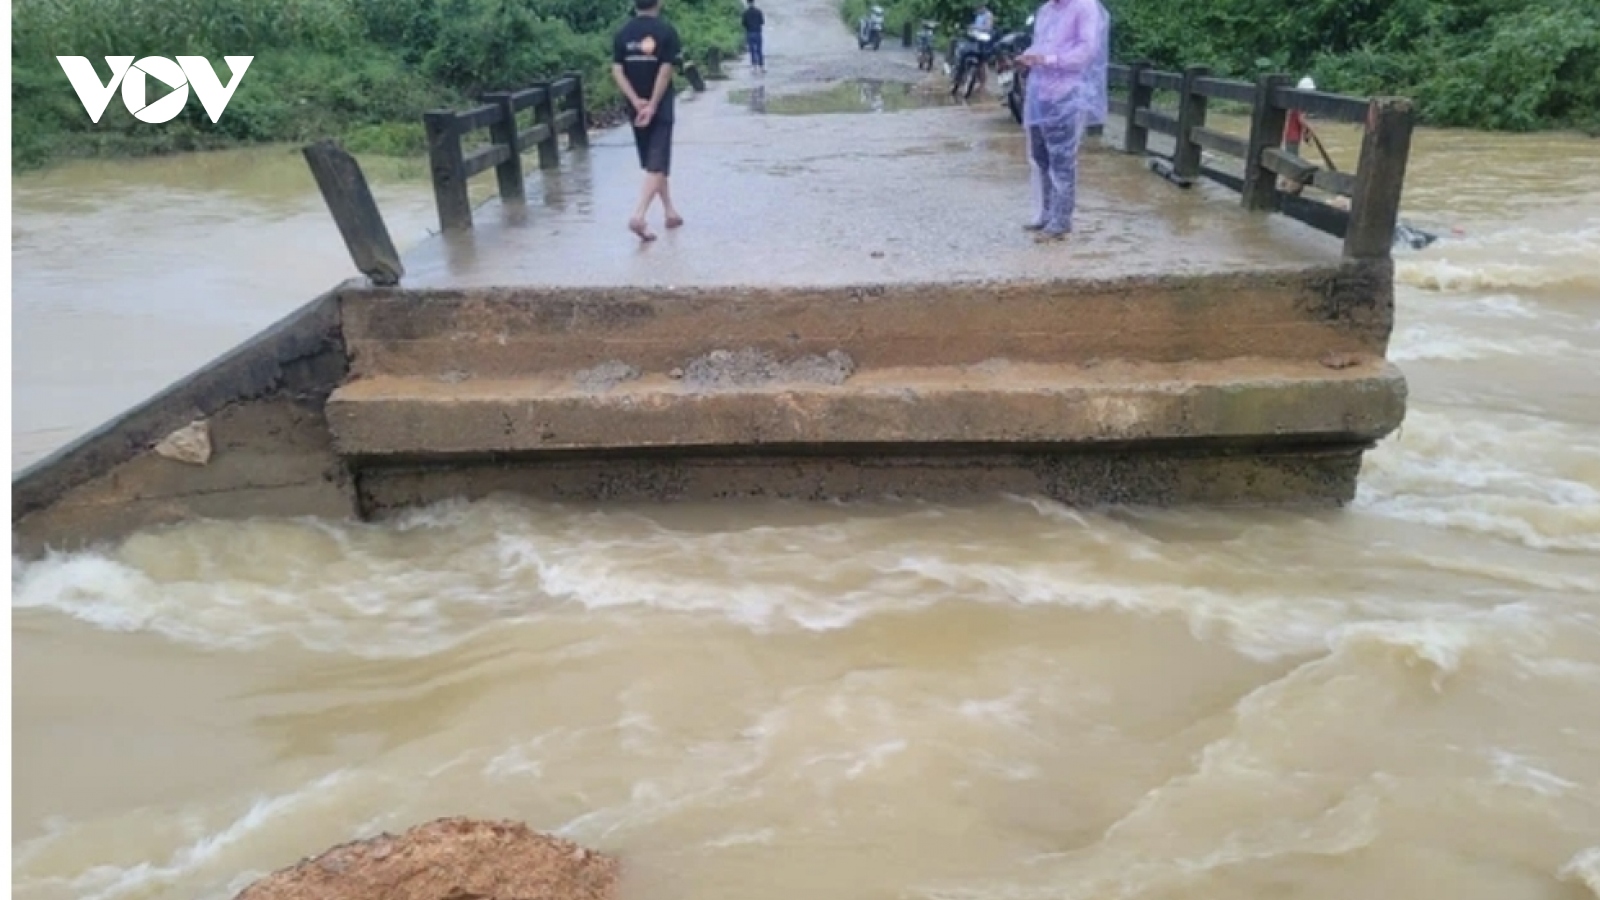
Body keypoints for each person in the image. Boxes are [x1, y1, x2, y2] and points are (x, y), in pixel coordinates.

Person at [1016, 0, 1110, 242]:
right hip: (1039, 94)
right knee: (1040, 157)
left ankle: (1061, 220)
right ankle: (1045, 214)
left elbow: (1086, 51)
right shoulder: (1046, 10)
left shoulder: (1084, 7)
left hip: (1066, 94)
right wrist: (1028, 57)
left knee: (1062, 160)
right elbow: (1040, 45)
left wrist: (1048, 60)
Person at [612, 0, 684, 242]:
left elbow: (617, 70)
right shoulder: (666, 31)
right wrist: (653, 104)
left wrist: (635, 101)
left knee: (655, 161)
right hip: (659, 106)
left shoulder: (622, 33)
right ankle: (639, 215)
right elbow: (665, 70)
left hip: (636, 107)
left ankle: (669, 211)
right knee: (657, 162)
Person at [742, 0, 766, 75]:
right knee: (759, 50)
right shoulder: (758, 11)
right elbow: (762, 22)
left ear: (747, 3)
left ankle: (754, 67)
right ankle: (762, 67)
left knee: (752, 50)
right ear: (754, 2)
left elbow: (743, 23)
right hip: (758, 32)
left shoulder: (745, 13)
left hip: (750, 32)